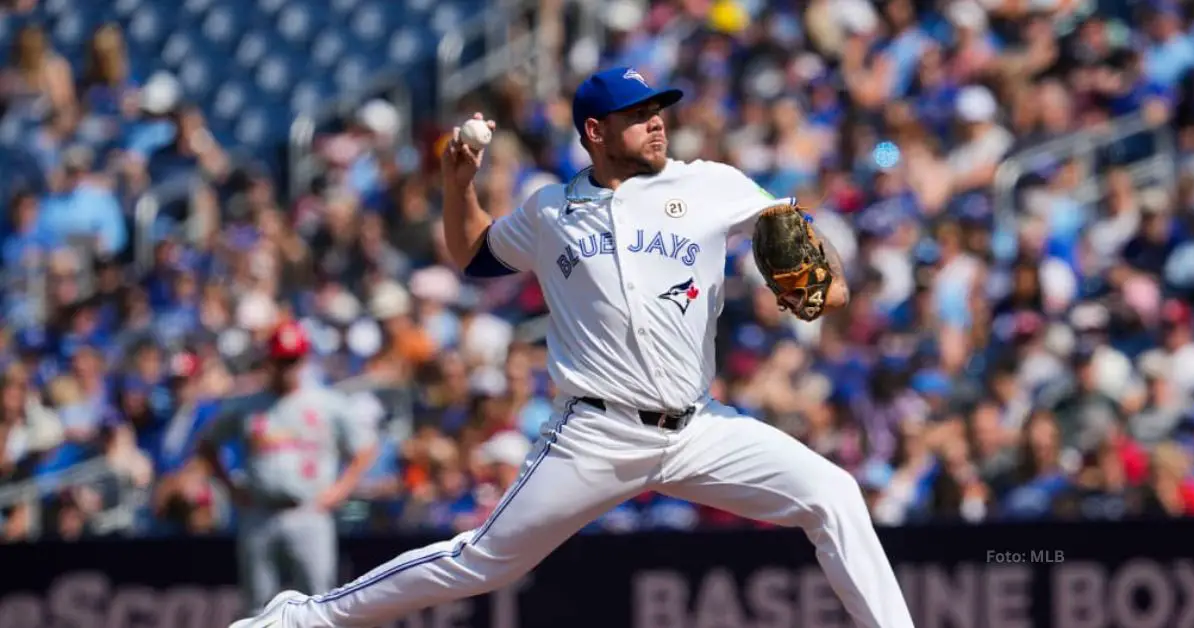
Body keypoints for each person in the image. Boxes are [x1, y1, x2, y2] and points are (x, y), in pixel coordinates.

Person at [231, 67, 913, 628]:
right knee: (484, 561)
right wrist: (457, 184)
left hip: (698, 428)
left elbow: (803, 249)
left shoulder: (710, 183)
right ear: (595, 130)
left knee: (833, 492)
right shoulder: (548, 209)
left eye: (659, 109)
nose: (657, 121)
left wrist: (828, 283)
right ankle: (303, 620)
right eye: (638, 113)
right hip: (597, 431)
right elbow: (474, 255)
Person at [201, 321, 378, 616]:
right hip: (260, 512)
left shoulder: (326, 402)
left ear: (305, 359)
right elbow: (207, 444)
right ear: (270, 361)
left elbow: (365, 447)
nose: (287, 367)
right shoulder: (248, 405)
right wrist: (231, 488)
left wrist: (340, 490)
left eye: (293, 360)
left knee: (319, 603)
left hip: (308, 509)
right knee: (258, 607)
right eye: (282, 360)